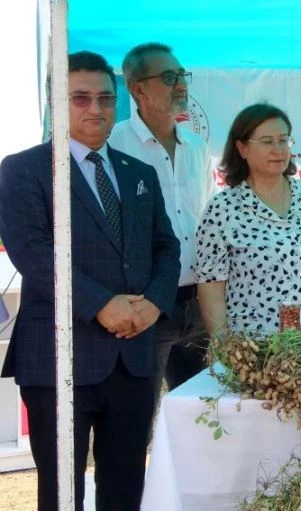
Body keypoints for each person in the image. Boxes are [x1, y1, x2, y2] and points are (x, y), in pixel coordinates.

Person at [0, 51, 180, 511]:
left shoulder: (138, 173)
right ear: (55, 102)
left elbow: (167, 247)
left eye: (105, 97)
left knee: (125, 489)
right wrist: (101, 304)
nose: (95, 109)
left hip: (134, 359)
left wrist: (154, 304)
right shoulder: (22, 170)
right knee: (62, 494)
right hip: (59, 357)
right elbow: (32, 251)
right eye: (80, 98)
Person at [108, 42, 215, 395]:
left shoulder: (198, 148)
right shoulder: (114, 146)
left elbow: (206, 220)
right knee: (139, 413)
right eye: (169, 76)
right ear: (137, 88)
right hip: (148, 305)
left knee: (206, 412)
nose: (181, 84)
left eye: (182, 74)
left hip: (201, 304)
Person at [194, 103, 301, 336]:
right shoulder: (223, 209)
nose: (278, 149)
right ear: (242, 148)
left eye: (283, 140)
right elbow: (211, 286)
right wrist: (223, 349)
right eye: (267, 141)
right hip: (256, 350)